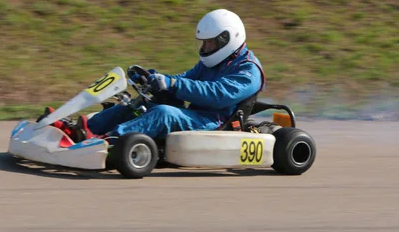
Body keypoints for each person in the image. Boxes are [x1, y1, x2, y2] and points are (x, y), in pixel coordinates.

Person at [51, 8, 266, 143]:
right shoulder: (214, 62)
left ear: (227, 39)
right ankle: (84, 129)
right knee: (137, 103)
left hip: (214, 122)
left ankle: (107, 140)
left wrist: (174, 84)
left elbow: (217, 94)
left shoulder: (248, 71)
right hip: (195, 115)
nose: (206, 47)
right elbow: (187, 78)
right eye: (204, 42)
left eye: (210, 43)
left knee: (164, 113)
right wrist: (157, 79)